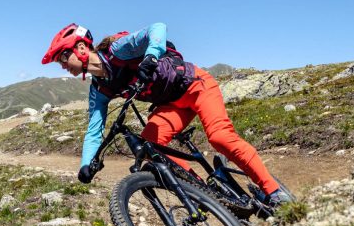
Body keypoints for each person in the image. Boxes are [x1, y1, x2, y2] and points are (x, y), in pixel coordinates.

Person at [41, 22, 293, 205]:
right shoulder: (99, 88)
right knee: (149, 148)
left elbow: (157, 27)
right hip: (171, 105)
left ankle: (274, 192)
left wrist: (151, 56)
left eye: (63, 58)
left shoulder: (118, 50)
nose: (62, 66)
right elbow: (94, 129)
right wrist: (86, 165)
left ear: (81, 49)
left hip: (196, 86)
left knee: (219, 137)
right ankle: (204, 191)